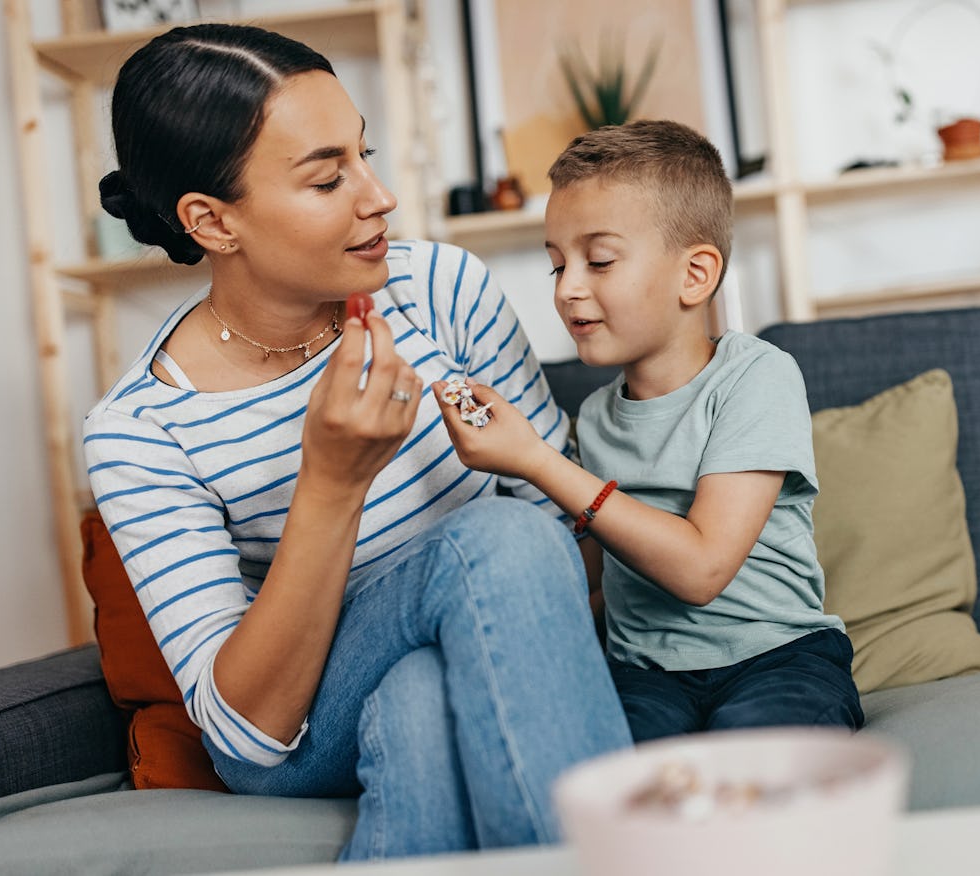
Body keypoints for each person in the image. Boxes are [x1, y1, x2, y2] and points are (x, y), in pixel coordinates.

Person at [82, 24, 630, 861]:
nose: (378, 197)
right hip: (299, 728)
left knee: (420, 693)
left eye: (364, 156)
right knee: (499, 536)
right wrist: (332, 484)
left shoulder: (441, 290)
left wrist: (532, 476)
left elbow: (581, 567)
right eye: (329, 177)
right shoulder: (140, 431)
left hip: (496, 651)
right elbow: (250, 732)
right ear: (212, 221)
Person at [438, 120, 865, 743]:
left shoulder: (757, 378)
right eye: (558, 266)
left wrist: (536, 460)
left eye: (599, 260)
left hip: (778, 658)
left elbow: (701, 569)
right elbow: (604, 570)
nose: (568, 289)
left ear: (695, 275)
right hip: (645, 674)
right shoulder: (598, 417)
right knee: (618, 782)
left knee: (759, 762)